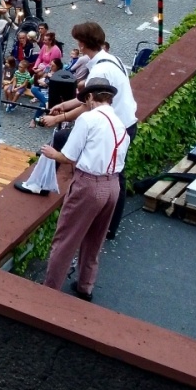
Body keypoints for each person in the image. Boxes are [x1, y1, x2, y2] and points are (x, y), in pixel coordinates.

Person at [38, 22, 139, 239]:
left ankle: (48, 183)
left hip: (113, 128)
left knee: (66, 140)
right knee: (117, 176)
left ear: (82, 44)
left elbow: (88, 105)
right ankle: (110, 226)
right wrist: (65, 105)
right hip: (126, 123)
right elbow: (90, 97)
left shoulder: (98, 69)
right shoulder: (113, 60)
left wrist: (58, 117)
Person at [40, 80, 130, 300]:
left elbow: (69, 157)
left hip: (88, 185)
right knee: (95, 240)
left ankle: (49, 290)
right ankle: (85, 286)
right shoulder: (120, 123)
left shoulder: (88, 119)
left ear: (90, 98)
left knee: (66, 239)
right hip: (113, 186)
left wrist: (52, 153)